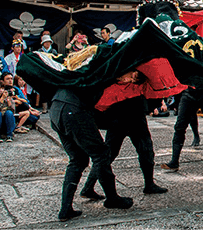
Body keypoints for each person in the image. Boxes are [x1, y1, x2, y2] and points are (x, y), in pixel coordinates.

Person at [50, 86, 134, 221]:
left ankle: (65, 209)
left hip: (57, 108)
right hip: (73, 109)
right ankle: (112, 198)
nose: (130, 80)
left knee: (78, 159)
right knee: (101, 153)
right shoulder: (102, 70)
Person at [80, 85, 168, 200]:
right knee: (139, 150)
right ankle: (88, 187)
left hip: (125, 113)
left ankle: (88, 187)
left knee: (141, 151)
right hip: (125, 114)